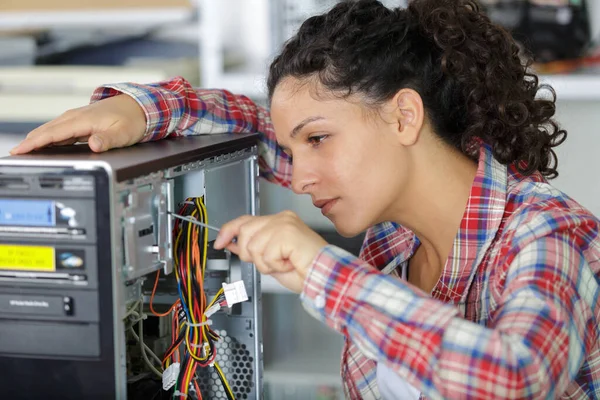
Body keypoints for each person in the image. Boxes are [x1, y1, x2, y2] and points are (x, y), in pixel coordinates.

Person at [10, 0, 600, 398]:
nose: (300, 174)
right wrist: (135, 109)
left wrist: (322, 267)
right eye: (294, 148)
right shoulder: (395, 232)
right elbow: (241, 122)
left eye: (318, 139)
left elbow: (512, 378)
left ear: (404, 116)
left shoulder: (549, 236)